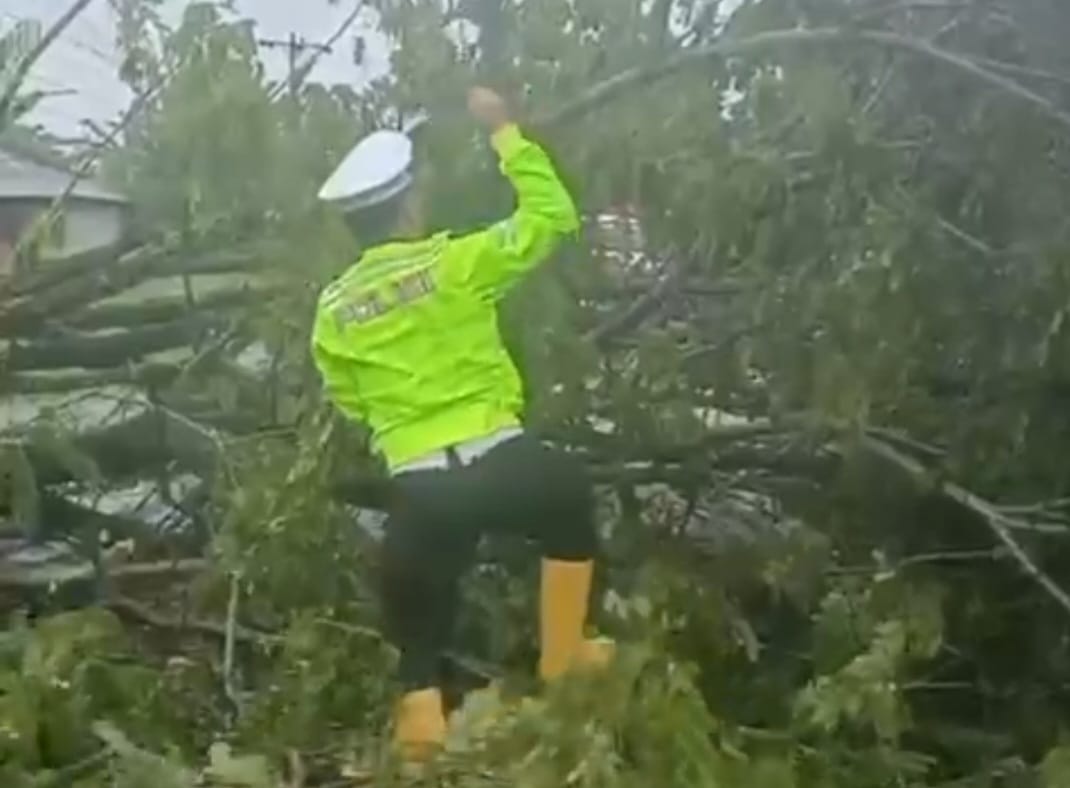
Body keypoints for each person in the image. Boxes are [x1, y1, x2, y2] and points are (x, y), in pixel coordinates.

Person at [310, 87, 614, 763]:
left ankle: (420, 754)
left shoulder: (332, 311)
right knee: (568, 499)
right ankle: (564, 654)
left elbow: (349, 400)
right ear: (410, 203)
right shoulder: (456, 262)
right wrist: (505, 132)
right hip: (501, 462)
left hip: (420, 488)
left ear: (352, 224)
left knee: (417, 623)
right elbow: (552, 214)